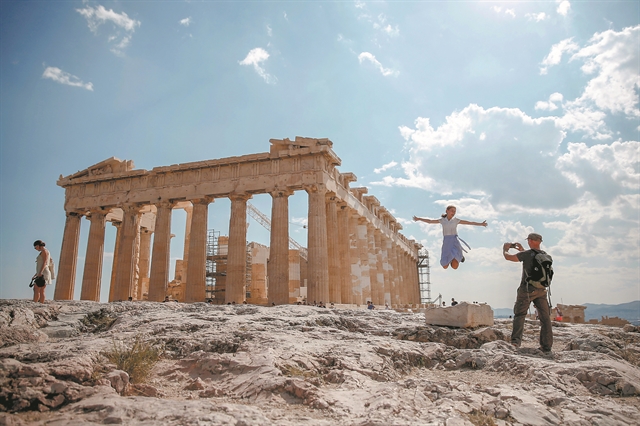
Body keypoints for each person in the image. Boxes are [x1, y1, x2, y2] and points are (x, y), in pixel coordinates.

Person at [503, 233, 553, 353]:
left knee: (520, 315)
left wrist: (505, 249)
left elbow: (509, 257)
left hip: (527, 289)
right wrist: (522, 250)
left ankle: (515, 342)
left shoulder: (527, 254)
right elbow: (532, 257)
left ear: (530, 240)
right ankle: (546, 346)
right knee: (545, 318)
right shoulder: (545, 255)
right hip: (541, 290)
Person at [413, 205, 487, 269]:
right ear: (447, 211)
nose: (453, 212)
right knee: (445, 266)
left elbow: (469, 222)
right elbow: (430, 221)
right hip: (446, 242)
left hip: (454, 241)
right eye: (452, 211)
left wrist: (481, 224)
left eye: (454, 211)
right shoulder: (442, 220)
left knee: (455, 267)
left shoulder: (456, 220)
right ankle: (451, 258)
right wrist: (419, 219)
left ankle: (458, 256)